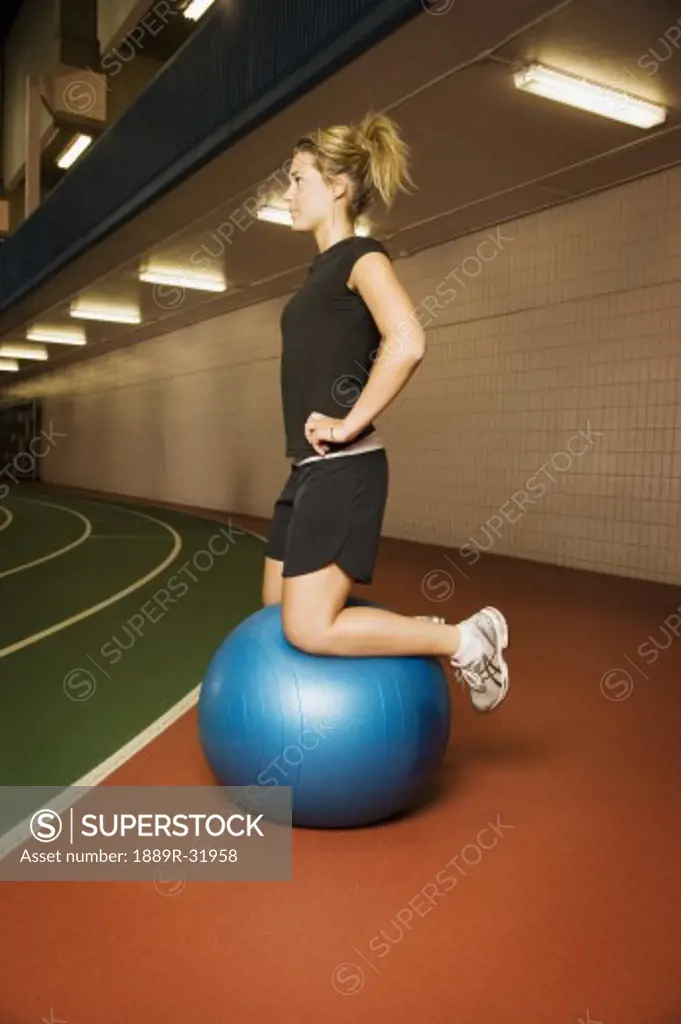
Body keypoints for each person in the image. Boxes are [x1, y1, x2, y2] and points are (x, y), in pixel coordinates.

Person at [262, 112, 509, 713]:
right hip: (307, 472)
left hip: (345, 470)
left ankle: (463, 638)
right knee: (276, 615)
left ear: (338, 186)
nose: (288, 193)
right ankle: (414, 633)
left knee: (308, 628)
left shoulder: (361, 257)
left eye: (298, 180)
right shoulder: (318, 271)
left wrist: (347, 424)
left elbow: (408, 341)